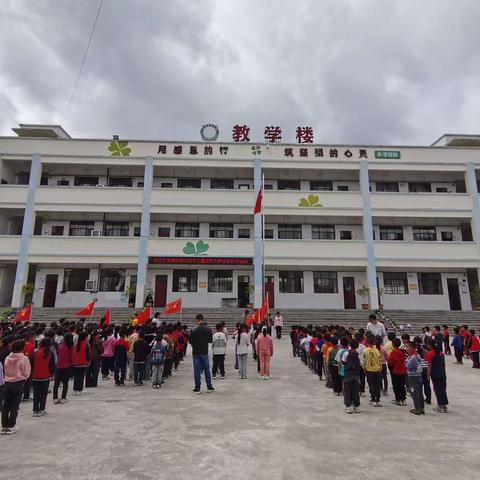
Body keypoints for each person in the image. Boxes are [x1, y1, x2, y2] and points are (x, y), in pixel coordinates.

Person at [2, 340, 31, 435]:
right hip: (18, 383)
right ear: (22, 348)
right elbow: (27, 372)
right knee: (15, 406)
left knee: (6, 405)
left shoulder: (7, 357)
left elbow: (5, 369)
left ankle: (4, 426)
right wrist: (24, 378)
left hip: (7, 383)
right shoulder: (24, 358)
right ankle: (11, 426)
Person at [189, 313, 214, 393]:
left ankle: (197, 388)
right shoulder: (208, 329)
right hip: (204, 352)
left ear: (197, 320)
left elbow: (190, 341)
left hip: (196, 352)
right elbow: (210, 340)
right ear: (203, 319)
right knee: (207, 370)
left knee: (197, 370)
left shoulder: (193, 329)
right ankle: (209, 386)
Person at [31, 337, 56, 417]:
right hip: (45, 377)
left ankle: (35, 409)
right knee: (43, 394)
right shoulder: (50, 353)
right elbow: (52, 366)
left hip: (35, 376)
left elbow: (32, 364)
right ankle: (42, 409)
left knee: (36, 393)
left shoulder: (36, 353)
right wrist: (52, 374)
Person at [425, 338, 449, 413]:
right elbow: (443, 365)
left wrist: (428, 375)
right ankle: (445, 406)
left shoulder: (429, 354)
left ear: (429, 345)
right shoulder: (441, 353)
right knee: (443, 389)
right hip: (442, 374)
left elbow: (429, 365)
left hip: (435, 374)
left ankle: (440, 406)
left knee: (437, 389)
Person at [53, 332, 74, 404]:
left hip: (58, 366)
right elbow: (72, 357)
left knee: (56, 383)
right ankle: (63, 398)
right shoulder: (70, 347)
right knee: (65, 383)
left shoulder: (60, 346)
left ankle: (55, 398)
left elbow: (58, 354)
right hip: (67, 366)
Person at [341, 338, 361, 414]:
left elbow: (343, 362)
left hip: (348, 375)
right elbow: (359, 364)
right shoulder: (357, 354)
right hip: (355, 375)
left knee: (347, 391)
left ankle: (348, 406)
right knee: (355, 391)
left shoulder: (346, 353)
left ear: (349, 345)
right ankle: (356, 406)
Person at [387, 338, 407, 406]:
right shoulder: (403, 352)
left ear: (393, 344)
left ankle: (398, 399)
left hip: (396, 371)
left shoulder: (393, 352)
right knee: (402, 385)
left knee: (396, 385)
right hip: (403, 370)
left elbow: (390, 362)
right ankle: (403, 399)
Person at [406, 343, 425, 415]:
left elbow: (408, 366)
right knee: (420, 392)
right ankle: (421, 408)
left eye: (407, 347)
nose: (406, 349)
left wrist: (406, 361)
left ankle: (417, 408)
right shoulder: (418, 355)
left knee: (414, 392)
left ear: (411, 348)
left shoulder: (413, 357)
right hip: (418, 375)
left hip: (412, 376)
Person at [364, 335, 382, 407]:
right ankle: (377, 399)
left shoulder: (365, 350)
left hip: (369, 370)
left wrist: (364, 368)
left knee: (372, 385)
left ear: (367, 343)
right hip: (377, 369)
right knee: (377, 385)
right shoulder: (377, 350)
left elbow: (364, 360)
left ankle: (373, 399)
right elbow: (379, 359)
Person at [72, 331, 91, 395]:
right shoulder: (86, 344)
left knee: (76, 377)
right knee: (81, 377)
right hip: (83, 363)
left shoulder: (75, 344)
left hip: (75, 363)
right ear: (85, 337)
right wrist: (89, 361)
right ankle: (80, 389)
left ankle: (75, 389)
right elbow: (88, 355)